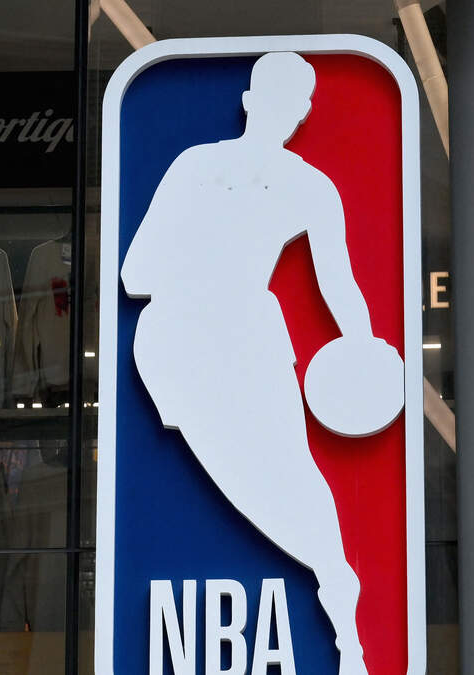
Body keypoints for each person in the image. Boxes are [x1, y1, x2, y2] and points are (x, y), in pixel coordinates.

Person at [122, 51, 383, 675]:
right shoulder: (274, 181)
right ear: (296, 111)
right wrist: (364, 349)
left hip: (219, 335)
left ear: (252, 102)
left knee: (283, 471)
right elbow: (133, 275)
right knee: (270, 476)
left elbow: (338, 287)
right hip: (194, 339)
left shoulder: (219, 170)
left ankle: (340, 600)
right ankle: (336, 587)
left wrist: (365, 353)